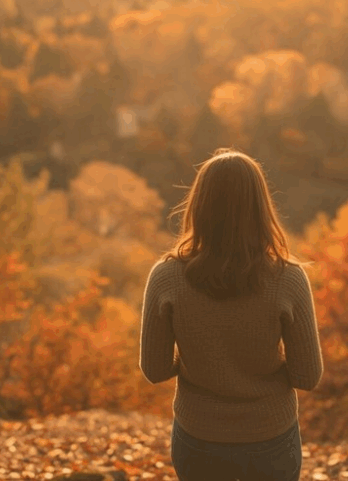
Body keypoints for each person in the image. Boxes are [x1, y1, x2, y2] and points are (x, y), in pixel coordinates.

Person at [139, 147, 324, 481]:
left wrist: (201, 359)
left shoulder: (166, 276)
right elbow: (307, 376)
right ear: (260, 206)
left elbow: (154, 369)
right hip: (271, 438)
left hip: (198, 437)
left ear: (199, 204)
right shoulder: (288, 278)